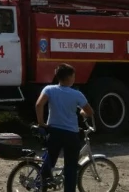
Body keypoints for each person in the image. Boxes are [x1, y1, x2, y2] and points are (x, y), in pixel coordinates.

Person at [35, 64, 95, 192]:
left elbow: (39, 105)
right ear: (69, 77)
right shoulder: (77, 94)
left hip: (54, 132)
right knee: (71, 167)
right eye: (73, 75)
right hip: (71, 135)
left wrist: (41, 123)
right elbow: (89, 111)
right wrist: (82, 113)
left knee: (50, 159)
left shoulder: (49, 89)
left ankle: (40, 185)